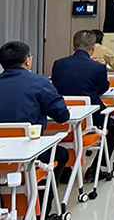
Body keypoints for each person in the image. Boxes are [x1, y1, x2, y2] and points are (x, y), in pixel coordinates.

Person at [0, 41, 70, 214]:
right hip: (28, 155)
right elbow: (62, 116)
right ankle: (43, 210)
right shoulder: (39, 82)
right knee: (61, 154)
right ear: (27, 61)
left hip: (2, 154)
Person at [51, 30, 114, 182]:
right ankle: (95, 169)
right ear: (93, 48)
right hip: (91, 116)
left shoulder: (58, 64)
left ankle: (65, 170)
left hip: (63, 115)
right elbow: (103, 88)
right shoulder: (98, 68)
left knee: (65, 136)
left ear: (73, 46)